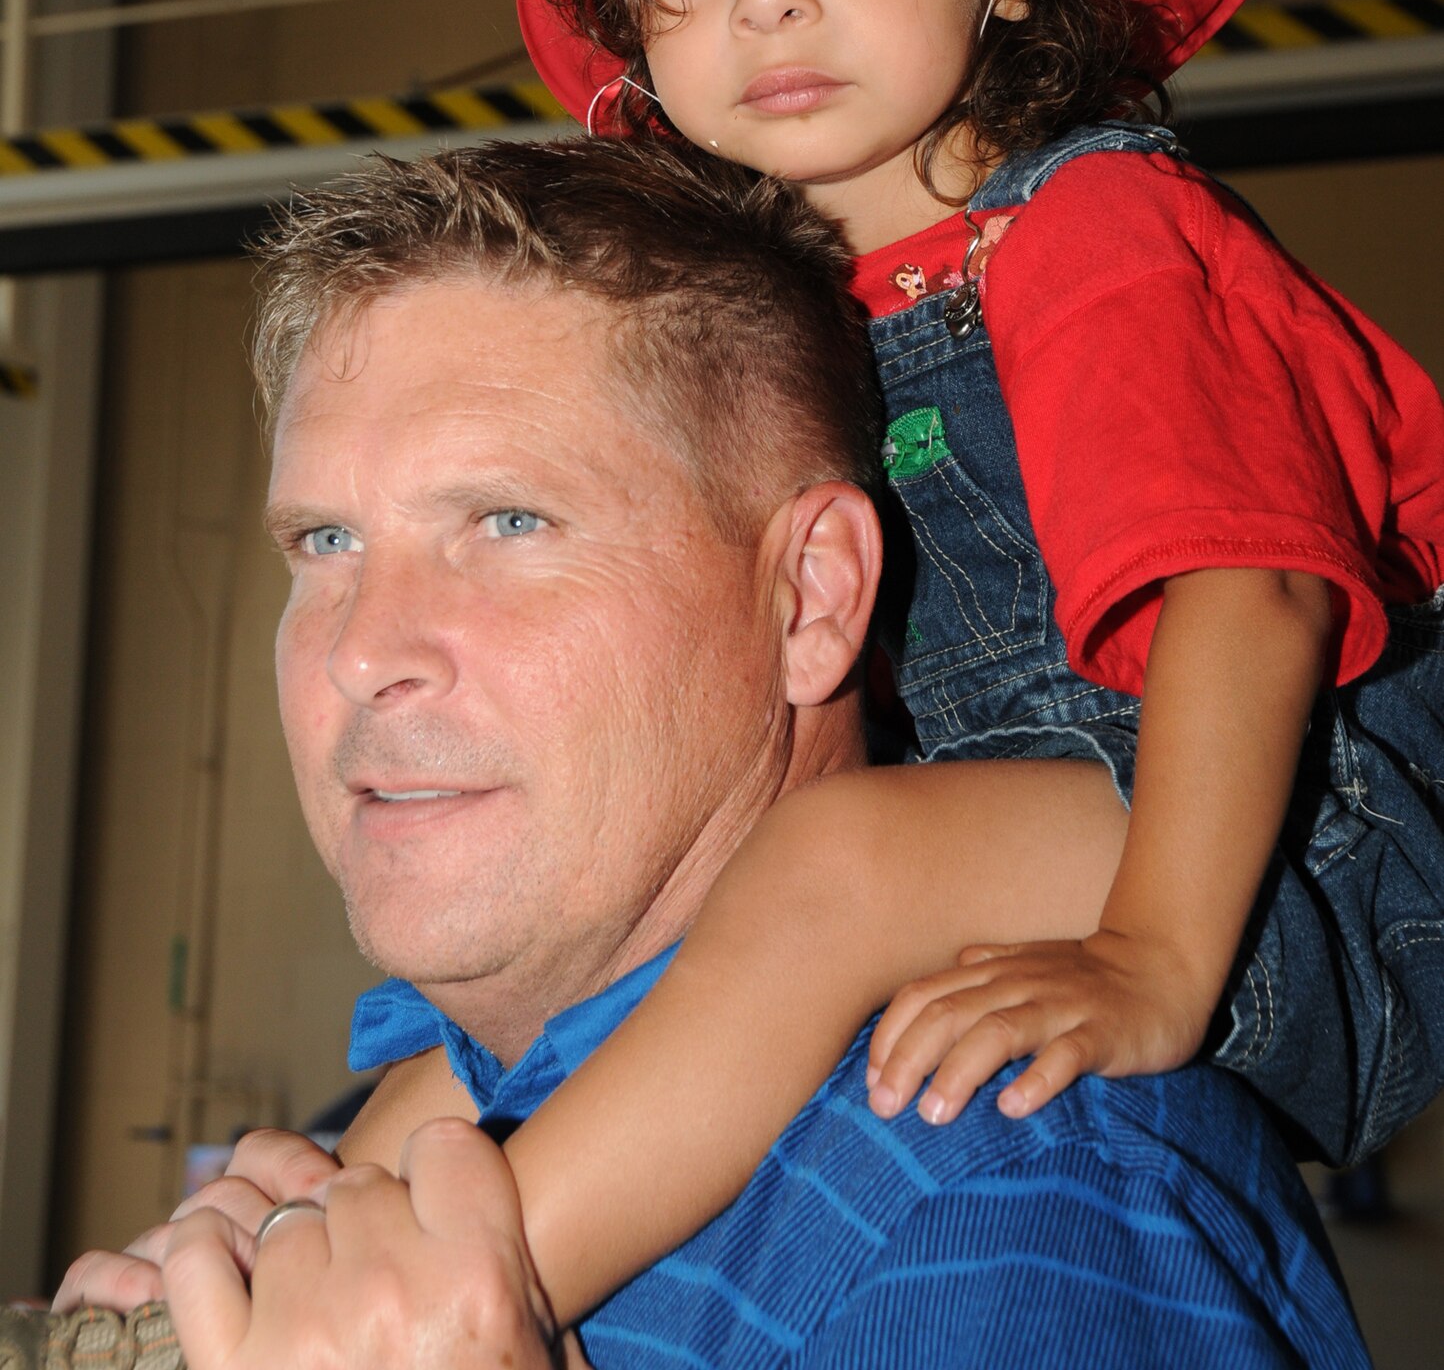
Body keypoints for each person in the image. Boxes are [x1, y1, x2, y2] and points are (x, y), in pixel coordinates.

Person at [55, 139, 1368, 1369]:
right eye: (326, 542)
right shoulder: (410, 1144)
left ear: (808, 597)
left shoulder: (1000, 1181)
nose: (360, 653)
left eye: (509, 521)